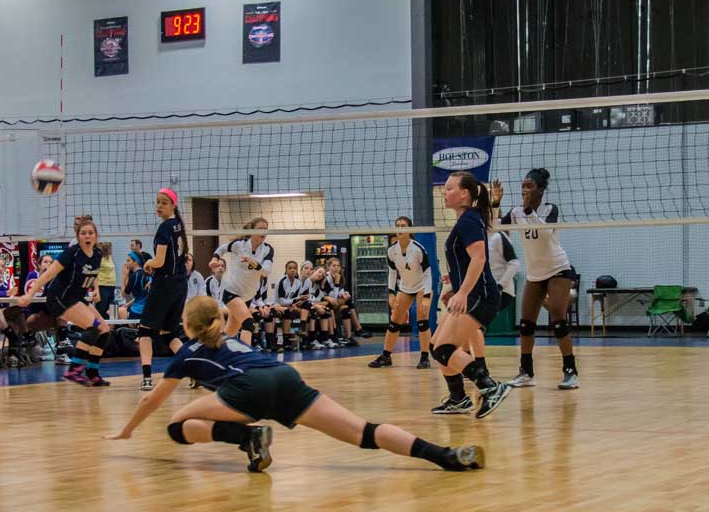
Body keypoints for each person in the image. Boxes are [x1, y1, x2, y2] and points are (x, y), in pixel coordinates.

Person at [106, 296, 484, 474]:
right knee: (363, 431)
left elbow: (151, 401)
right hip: (285, 377)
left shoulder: (185, 354)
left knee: (176, 424)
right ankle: (444, 455)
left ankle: (248, 440)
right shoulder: (231, 337)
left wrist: (126, 431)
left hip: (249, 390)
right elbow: (238, 316)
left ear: (186, 326)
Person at [429, 173, 510, 419]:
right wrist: (455, 285)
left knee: (443, 348)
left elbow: (479, 258)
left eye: (450, 188)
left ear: (464, 193)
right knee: (437, 347)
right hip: (472, 293)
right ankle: (458, 399)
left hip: (480, 295)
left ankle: (490, 386)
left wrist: (463, 292)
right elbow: (467, 262)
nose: (445, 192)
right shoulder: (467, 219)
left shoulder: (469, 221)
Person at [492, 170, 579, 390]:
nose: (524, 190)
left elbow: (546, 232)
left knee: (558, 320)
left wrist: (529, 211)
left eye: (529, 186)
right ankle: (526, 373)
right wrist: (495, 203)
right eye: (523, 185)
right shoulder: (516, 212)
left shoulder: (550, 209)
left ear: (540, 189)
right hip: (535, 273)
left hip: (558, 268)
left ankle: (570, 372)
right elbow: (495, 230)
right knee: (526, 324)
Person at [17, 217, 109, 387]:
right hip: (60, 297)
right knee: (93, 328)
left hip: (78, 297)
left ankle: (93, 373)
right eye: (83, 233)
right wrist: (29, 294)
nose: (87, 236)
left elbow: (92, 273)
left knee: (104, 330)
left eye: (90, 233)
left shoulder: (97, 254)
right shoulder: (71, 253)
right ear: (78, 236)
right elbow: (47, 275)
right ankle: (74, 371)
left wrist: (95, 288)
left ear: (96, 236)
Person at [138, 188, 190, 391]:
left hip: (165, 284)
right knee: (169, 333)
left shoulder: (165, 228)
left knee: (144, 331)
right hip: (179, 283)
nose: (159, 206)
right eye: (157, 201)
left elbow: (159, 261)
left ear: (173, 205)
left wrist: (148, 262)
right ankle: (195, 371)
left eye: (164, 202)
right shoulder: (179, 225)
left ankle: (147, 378)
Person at [369, 217, 433, 369]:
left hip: (422, 286)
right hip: (404, 287)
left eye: (403, 226)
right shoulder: (392, 250)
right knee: (394, 320)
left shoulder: (418, 249)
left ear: (409, 230)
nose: (399, 229)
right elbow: (392, 272)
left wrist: (426, 296)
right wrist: (391, 293)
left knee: (422, 320)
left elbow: (428, 273)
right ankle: (386, 356)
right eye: (397, 226)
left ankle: (424, 357)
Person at [214, 219, 274, 345]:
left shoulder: (268, 249)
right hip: (232, 292)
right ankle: (246, 359)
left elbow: (266, 271)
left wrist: (255, 264)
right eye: (260, 228)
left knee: (229, 333)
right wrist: (215, 259)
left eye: (265, 228)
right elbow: (222, 249)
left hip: (248, 296)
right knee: (249, 324)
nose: (263, 231)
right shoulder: (240, 245)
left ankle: (211, 350)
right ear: (251, 231)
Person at [95, 242, 117, 319]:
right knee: (101, 309)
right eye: (110, 248)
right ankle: (97, 327)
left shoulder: (110, 257)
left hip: (111, 286)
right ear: (106, 249)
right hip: (102, 285)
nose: (112, 250)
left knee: (110, 309)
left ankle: (108, 326)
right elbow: (95, 273)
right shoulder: (99, 258)